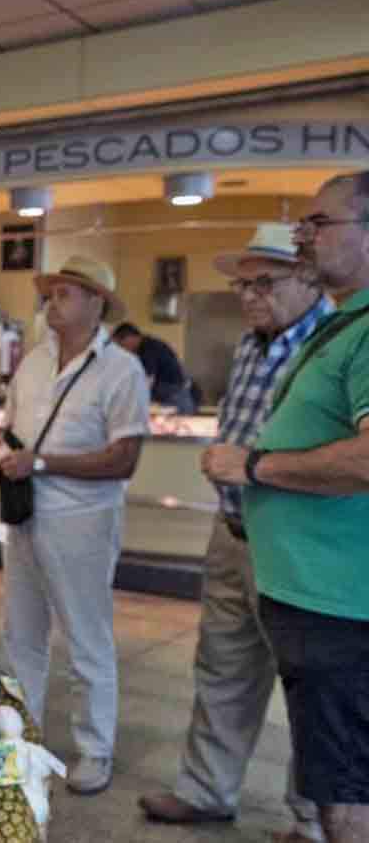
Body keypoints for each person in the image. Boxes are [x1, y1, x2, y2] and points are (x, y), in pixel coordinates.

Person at [139, 223, 332, 841]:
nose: (250, 295)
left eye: (264, 282)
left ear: (306, 275)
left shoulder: (334, 345)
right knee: (222, 668)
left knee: (310, 684)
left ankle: (314, 820)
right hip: (232, 532)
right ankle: (206, 791)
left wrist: (247, 464)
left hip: (301, 542)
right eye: (243, 284)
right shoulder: (252, 344)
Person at [203, 172, 369, 843]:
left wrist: (257, 465)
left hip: (335, 594)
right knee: (323, 750)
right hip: (289, 575)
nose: (308, 235)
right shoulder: (331, 333)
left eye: (318, 223)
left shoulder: (354, 333)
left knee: (343, 774)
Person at [0, 255, 149, 796]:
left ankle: (95, 749)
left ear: (96, 303)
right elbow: (8, 425)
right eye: (51, 292)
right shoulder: (33, 362)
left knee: (86, 638)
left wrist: (40, 463)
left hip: (83, 522)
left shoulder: (121, 370)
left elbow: (124, 458)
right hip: (26, 517)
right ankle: (23, 738)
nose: (52, 301)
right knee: (22, 636)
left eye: (66, 293)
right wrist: (5, 448)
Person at [112, 322, 196, 414]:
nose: (122, 349)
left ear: (130, 337)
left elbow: (148, 381)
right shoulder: (141, 349)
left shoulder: (148, 347)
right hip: (165, 393)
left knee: (177, 424)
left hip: (174, 394)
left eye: (121, 344)